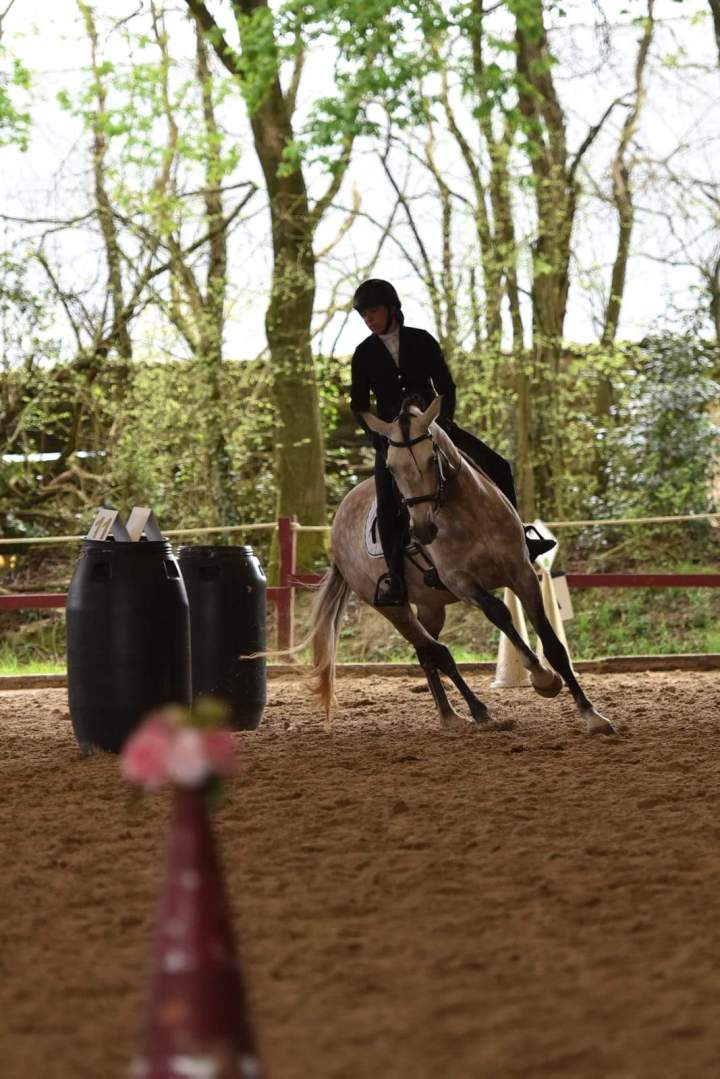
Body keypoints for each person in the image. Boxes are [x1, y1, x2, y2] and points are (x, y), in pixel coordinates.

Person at [350, 278, 555, 607]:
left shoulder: (422, 341)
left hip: (436, 430)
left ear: (390, 309)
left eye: (372, 312)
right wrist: (381, 436)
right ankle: (396, 579)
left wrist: (441, 424)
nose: (368, 320)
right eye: (363, 316)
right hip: (395, 443)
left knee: (499, 466)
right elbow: (358, 405)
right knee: (388, 504)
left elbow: (446, 386)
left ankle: (523, 541)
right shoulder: (363, 354)